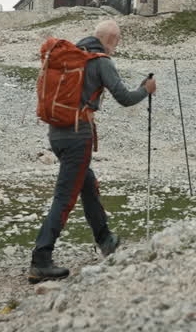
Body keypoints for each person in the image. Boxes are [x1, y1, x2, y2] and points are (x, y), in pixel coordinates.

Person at [29, 18, 154, 283]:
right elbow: (125, 98)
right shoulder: (100, 61)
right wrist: (145, 89)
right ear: (111, 40)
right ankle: (41, 259)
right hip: (79, 136)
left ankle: (105, 240)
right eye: (117, 41)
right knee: (65, 197)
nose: (117, 47)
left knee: (87, 184)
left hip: (57, 134)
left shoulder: (73, 54)